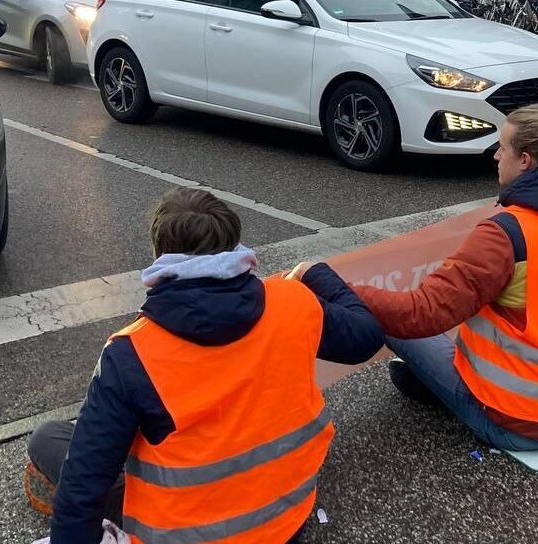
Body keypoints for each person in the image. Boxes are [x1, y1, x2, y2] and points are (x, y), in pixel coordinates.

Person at [25, 188, 383, 544]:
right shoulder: (293, 303)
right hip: (284, 523)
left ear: (158, 253)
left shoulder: (131, 352)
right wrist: (314, 273)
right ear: (234, 245)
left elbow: (81, 492)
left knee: (49, 439)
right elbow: (366, 337)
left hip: (182, 532)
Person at [350, 106, 538, 452]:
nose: (495, 155)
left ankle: (439, 389)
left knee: (391, 317)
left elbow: (423, 312)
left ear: (524, 160)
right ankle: (430, 383)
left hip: (518, 424)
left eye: (501, 147)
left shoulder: (506, 233)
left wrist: (340, 288)